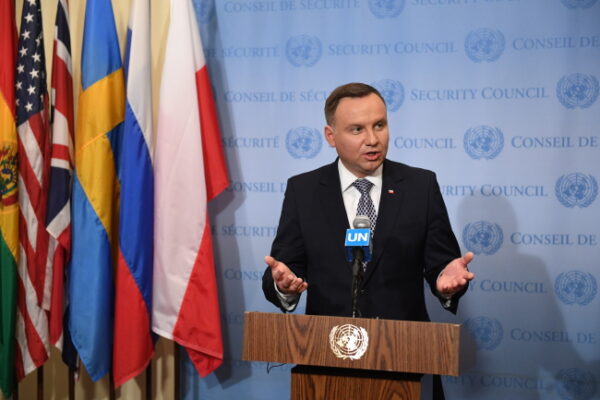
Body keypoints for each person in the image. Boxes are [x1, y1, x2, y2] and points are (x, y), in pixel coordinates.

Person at [262, 82, 474, 399]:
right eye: (357, 129)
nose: (372, 139)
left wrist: (447, 281)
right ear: (331, 136)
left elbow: (442, 265)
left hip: (406, 360)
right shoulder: (303, 191)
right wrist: (284, 285)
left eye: (379, 125)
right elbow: (284, 268)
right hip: (327, 363)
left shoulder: (420, 186)